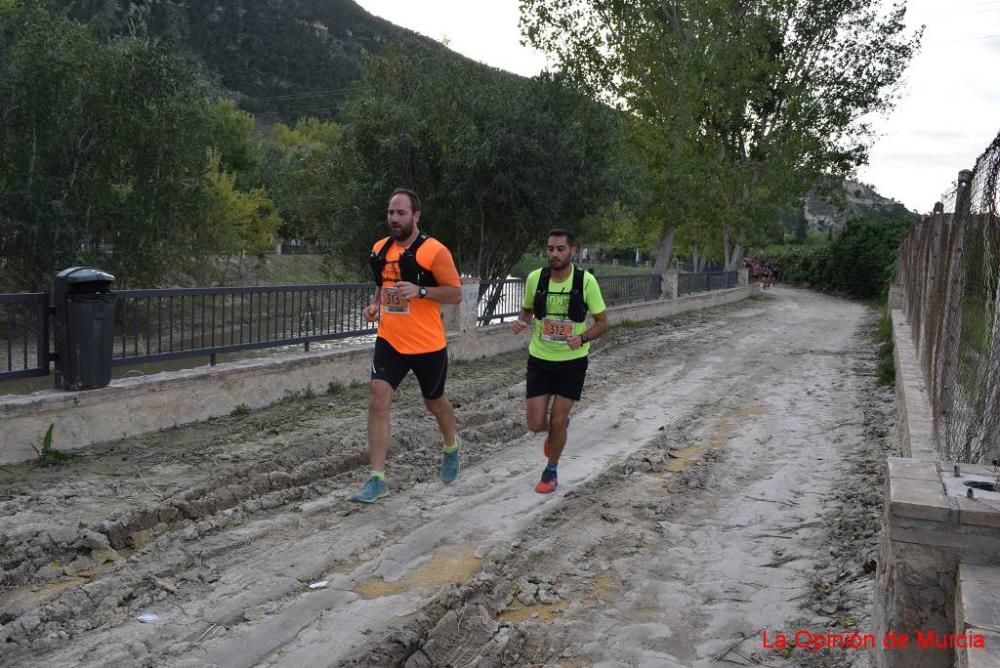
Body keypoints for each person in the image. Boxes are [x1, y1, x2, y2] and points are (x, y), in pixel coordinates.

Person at [351, 188, 464, 503]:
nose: (394, 218)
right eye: (391, 213)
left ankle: (451, 446)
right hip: (391, 339)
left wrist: (422, 291)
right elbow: (382, 284)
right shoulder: (379, 249)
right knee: (378, 399)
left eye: (401, 213)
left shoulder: (434, 251)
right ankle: (377, 478)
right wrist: (374, 306)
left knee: (434, 403)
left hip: (428, 344)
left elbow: (455, 294)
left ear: (416, 216)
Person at [511, 229, 608, 494]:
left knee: (557, 418)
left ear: (573, 251)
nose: (554, 254)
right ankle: (558, 431)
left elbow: (602, 323)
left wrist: (583, 337)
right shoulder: (535, 278)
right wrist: (522, 320)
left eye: (560, 249)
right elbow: (528, 308)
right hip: (540, 359)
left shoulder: (586, 282)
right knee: (535, 423)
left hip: (572, 362)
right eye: (550, 249)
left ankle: (551, 470)